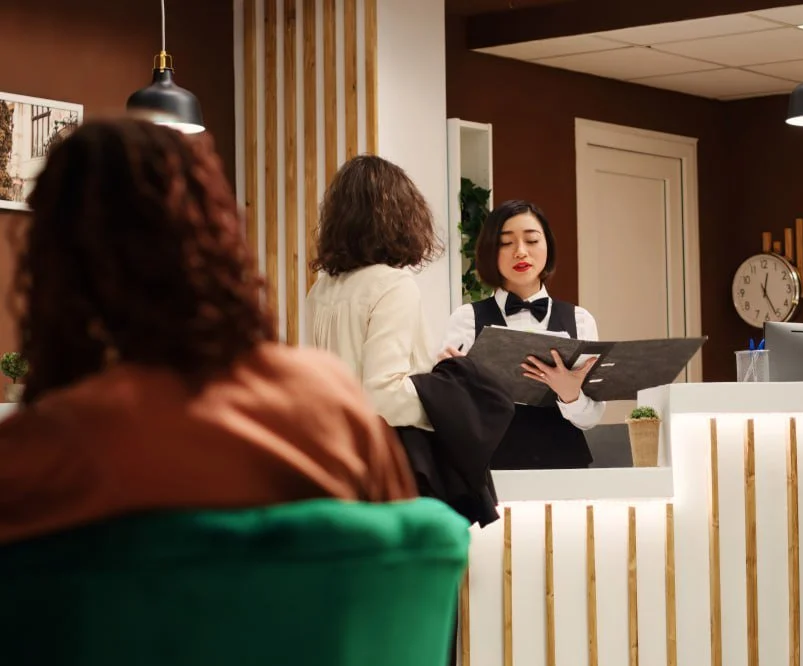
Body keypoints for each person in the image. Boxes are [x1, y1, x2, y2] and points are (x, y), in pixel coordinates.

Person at [0, 118, 416, 546]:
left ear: (49, 266)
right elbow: (406, 561)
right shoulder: (335, 416)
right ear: (222, 236)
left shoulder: (26, 463)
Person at [439, 200, 604, 469]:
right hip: (490, 470)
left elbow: (591, 419)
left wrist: (570, 395)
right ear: (490, 251)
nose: (520, 252)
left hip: (565, 469)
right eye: (506, 243)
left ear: (547, 246)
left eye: (532, 240)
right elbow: (450, 414)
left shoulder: (580, 319)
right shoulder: (466, 319)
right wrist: (450, 385)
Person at [305, 154, 441, 430]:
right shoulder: (392, 285)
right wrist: (447, 395)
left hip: (339, 443)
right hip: (386, 449)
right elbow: (384, 396)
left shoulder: (321, 289)